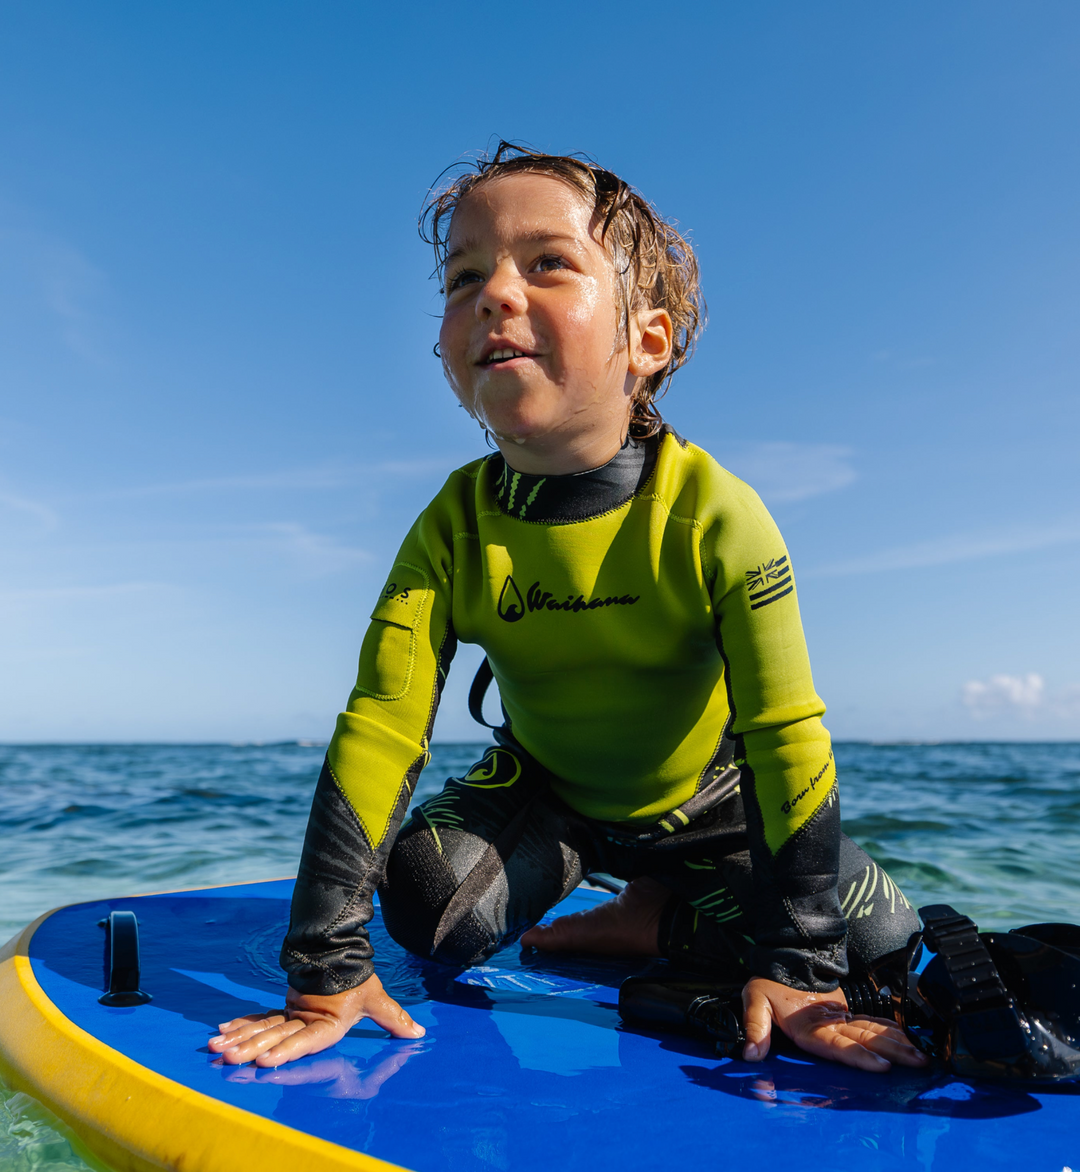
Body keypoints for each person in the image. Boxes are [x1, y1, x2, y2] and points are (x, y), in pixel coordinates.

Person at [209, 143, 928, 1076]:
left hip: (706, 799)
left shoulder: (717, 515)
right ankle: (641, 904)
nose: (496, 293)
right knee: (430, 907)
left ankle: (654, 912)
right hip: (550, 796)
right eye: (466, 275)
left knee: (882, 950)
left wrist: (798, 966)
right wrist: (325, 968)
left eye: (547, 262)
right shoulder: (454, 525)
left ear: (648, 343)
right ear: (443, 346)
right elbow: (382, 725)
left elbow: (786, 733)